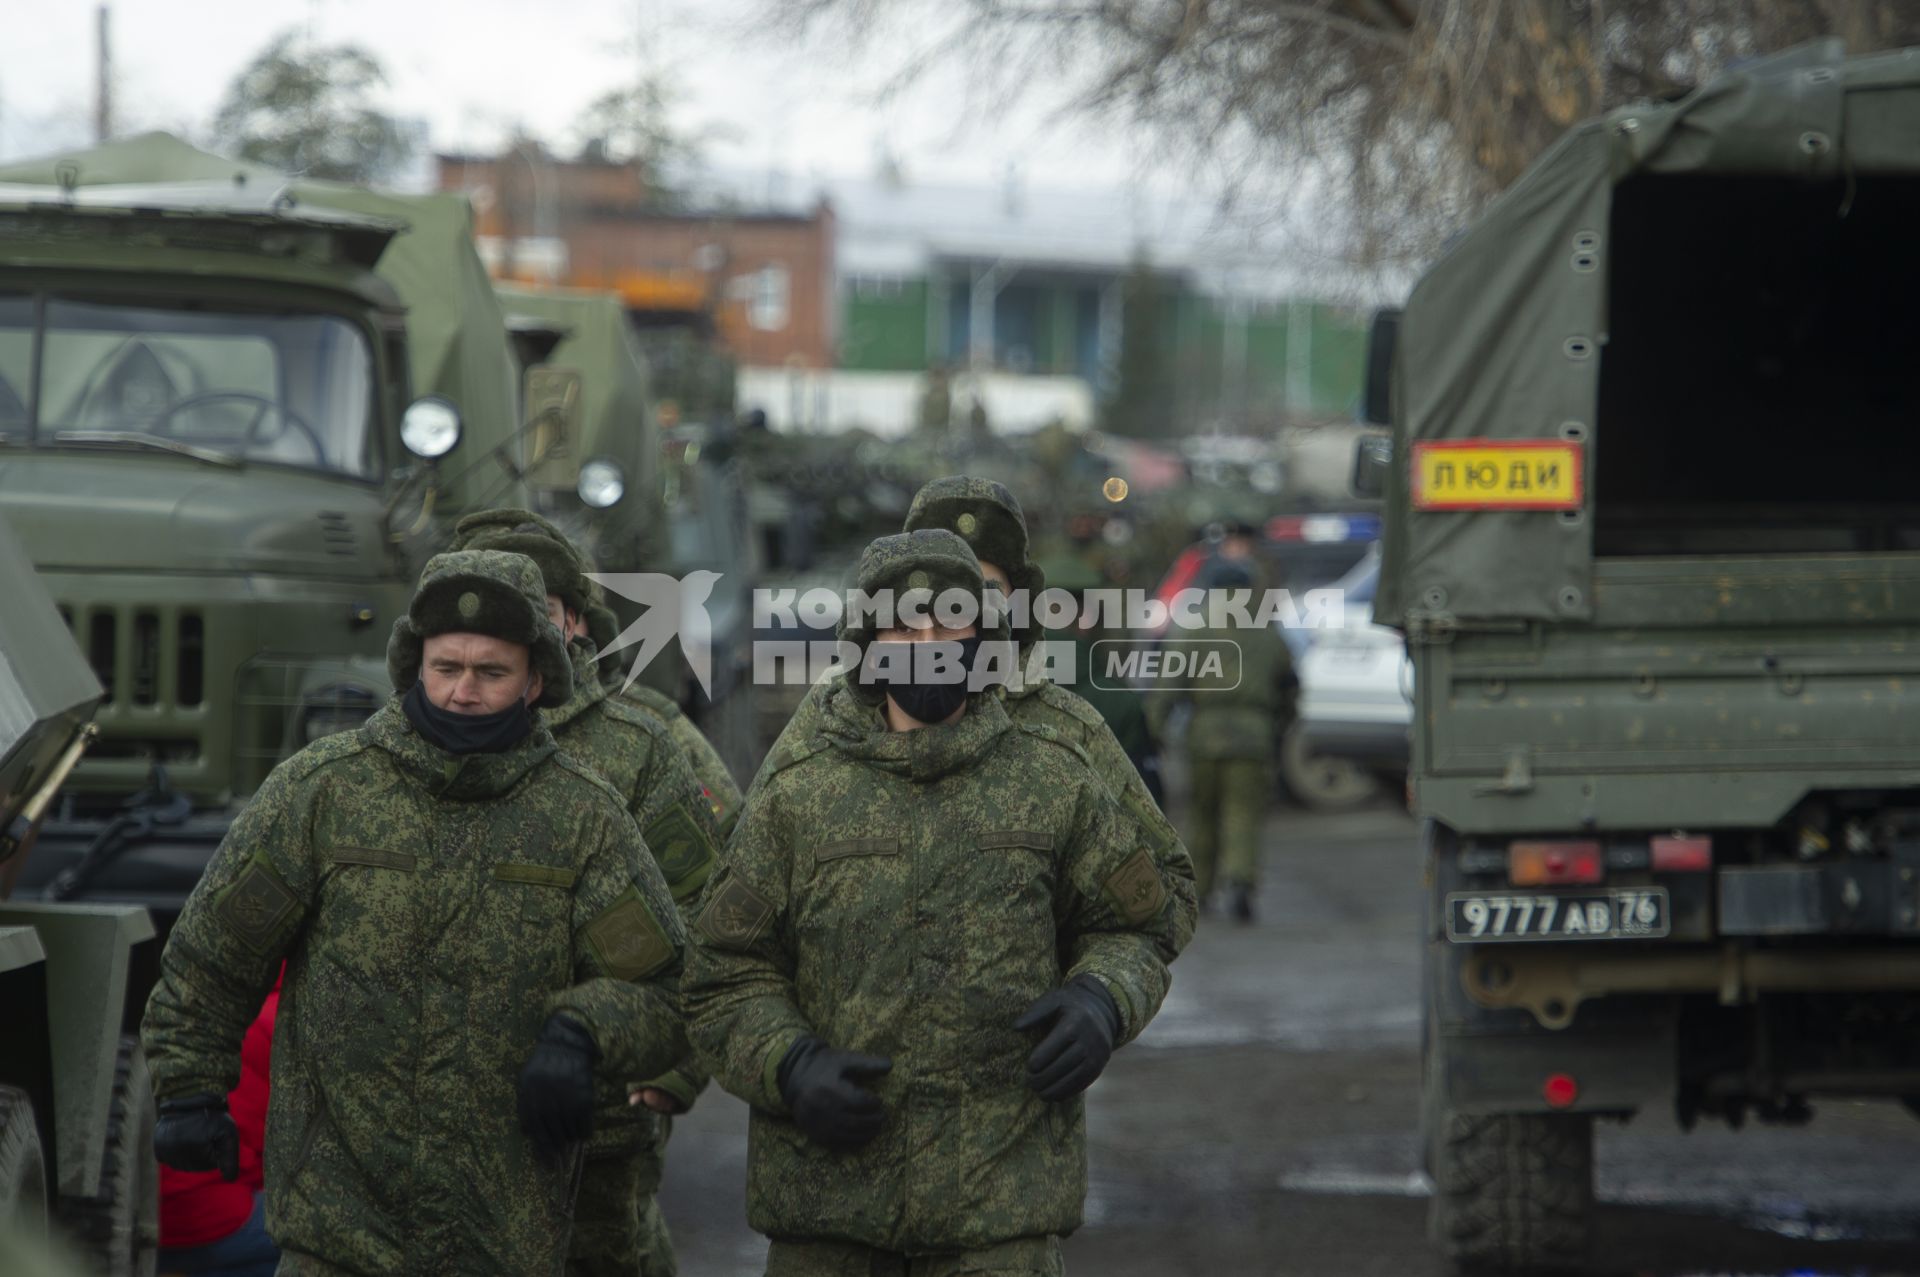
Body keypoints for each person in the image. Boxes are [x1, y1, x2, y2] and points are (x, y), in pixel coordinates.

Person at [142, 549, 689, 1277]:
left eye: (490, 672)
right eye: (445, 667)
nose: (463, 691)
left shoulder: (582, 817)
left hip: (504, 1236)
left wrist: (581, 1032)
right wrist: (188, 1086)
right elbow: (214, 954)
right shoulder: (323, 792)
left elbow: (666, 986)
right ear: (414, 666)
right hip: (338, 1232)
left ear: (534, 681)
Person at [687, 529, 1186, 1276]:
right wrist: (790, 1063)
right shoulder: (801, 790)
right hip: (830, 1218)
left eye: (950, 621)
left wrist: (1101, 998)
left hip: (1001, 1219)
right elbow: (723, 972)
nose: (926, 641)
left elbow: (1139, 925)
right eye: (903, 623)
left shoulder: (1053, 778)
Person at [748, 476, 1197, 958]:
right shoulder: (836, 712)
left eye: (982, 592)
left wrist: (1089, 983)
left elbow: (1161, 892)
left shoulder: (1066, 727)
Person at [448, 508, 721, 1277]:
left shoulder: (642, 744)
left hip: (595, 1115)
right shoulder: (405, 743)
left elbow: (715, 915)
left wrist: (675, 1069)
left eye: (537, 602)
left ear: (573, 619)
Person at [1150, 557, 1297, 922]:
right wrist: (1279, 724)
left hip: (1205, 733)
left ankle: (1201, 890)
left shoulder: (1195, 627)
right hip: (1254, 733)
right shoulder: (1268, 631)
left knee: (1202, 814)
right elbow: (1290, 686)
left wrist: (1155, 730)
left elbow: (1170, 684)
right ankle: (1241, 882)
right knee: (1244, 813)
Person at [156, 968, 281, 1277]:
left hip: (155, 1216)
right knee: (328, 1240)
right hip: (209, 1218)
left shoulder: (212, 1005)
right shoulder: (285, 1022)